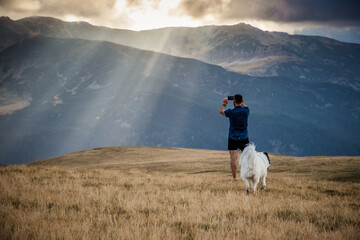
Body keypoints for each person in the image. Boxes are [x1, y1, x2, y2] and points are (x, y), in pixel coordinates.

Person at [219, 94, 250, 181]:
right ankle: (247, 176)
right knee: (247, 157)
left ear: (234, 102)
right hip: (244, 137)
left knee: (233, 158)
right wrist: (240, 102)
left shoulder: (231, 112)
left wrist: (224, 103)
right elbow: (245, 106)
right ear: (242, 101)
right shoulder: (246, 110)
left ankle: (234, 178)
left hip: (233, 137)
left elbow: (221, 111)